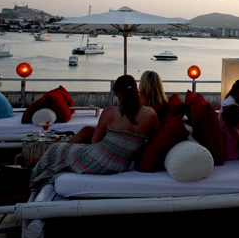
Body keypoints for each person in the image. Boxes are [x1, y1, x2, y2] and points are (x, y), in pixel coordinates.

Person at [30, 75, 160, 186]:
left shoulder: (110, 112)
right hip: (121, 165)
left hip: (98, 160)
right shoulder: (150, 114)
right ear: (136, 91)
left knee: (56, 149)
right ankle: (35, 166)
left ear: (119, 94)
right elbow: (156, 136)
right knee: (69, 151)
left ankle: (33, 177)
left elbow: (94, 141)